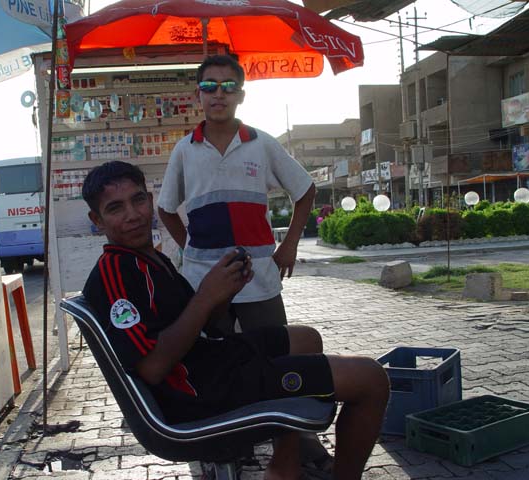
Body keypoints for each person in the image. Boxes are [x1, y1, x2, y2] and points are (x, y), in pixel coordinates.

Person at [81, 161, 390, 480]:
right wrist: (205, 298)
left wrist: (222, 292)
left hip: (212, 363)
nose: (133, 214)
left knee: (306, 338)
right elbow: (153, 367)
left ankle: (283, 468)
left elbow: (205, 326)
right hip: (200, 394)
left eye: (138, 200)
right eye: (116, 207)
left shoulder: (151, 258)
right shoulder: (115, 273)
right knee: (371, 379)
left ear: (149, 199)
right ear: (97, 220)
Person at [157, 54, 316, 336]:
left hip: (260, 281)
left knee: (274, 359)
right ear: (198, 94)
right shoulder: (184, 150)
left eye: (228, 86)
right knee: (214, 364)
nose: (219, 94)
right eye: (209, 86)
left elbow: (305, 189)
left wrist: (290, 245)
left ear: (241, 95)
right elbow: (166, 208)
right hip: (202, 283)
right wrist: (189, 247)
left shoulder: (262, 144)